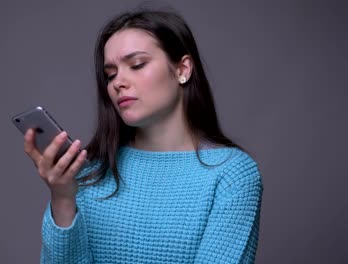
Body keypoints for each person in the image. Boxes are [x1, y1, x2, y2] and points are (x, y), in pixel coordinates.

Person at [23, 8, 263, 264]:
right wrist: (62, 197)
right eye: (110, 74)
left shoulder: (232, 175)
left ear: (182, 69)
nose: (118, 83)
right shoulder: (88, 173)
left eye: (137, 65)